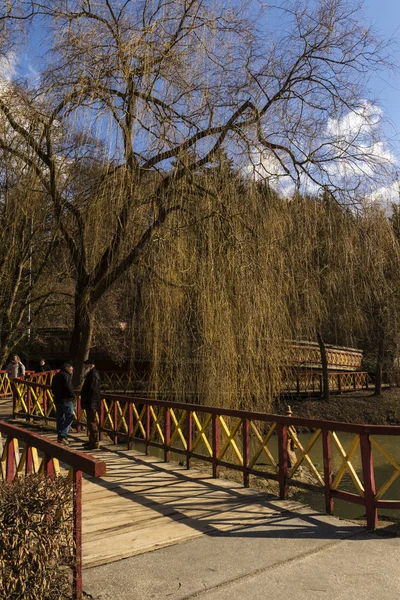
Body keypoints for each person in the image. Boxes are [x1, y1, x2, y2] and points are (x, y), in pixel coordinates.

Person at [51, 362, 75, 445]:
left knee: (59, 418)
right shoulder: (66, 375)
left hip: (58, 399)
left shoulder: (56, 376)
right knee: (70, 417)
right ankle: (63, 435)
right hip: (66, 400)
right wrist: (73, 395)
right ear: (67, 368)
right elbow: (69, 387)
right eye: (71, 370)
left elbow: (53, 388)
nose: (72, 372)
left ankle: (60, 436)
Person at [81, 358, 101, 450]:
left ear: (91, 366)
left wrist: (90, 402)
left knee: (92, 422)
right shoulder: (91, 374)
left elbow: (93, 390)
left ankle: (95, 442)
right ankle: (91, 440)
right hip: (90, 402)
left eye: (86, 366)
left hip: (92, 403)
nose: (85, 368)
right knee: (90, 422)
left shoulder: (93, 375)